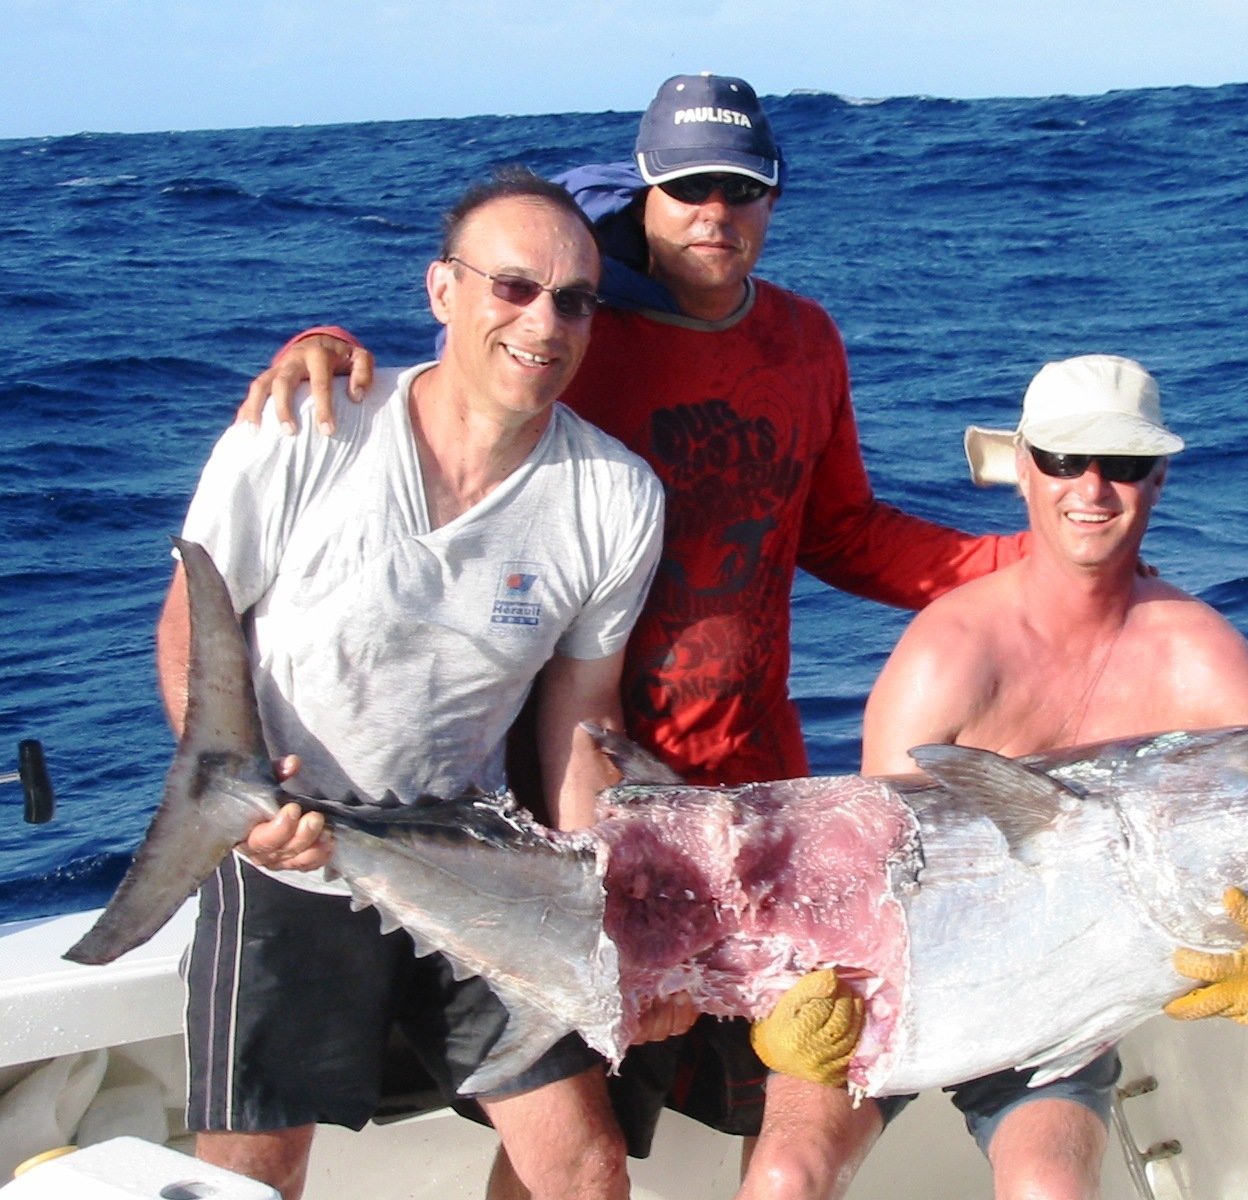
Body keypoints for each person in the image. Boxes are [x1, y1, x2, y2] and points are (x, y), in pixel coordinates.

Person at [237, 73, 1032, 1199]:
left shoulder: (807, 340)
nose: (716, 212)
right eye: (690, 186)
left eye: (743, 189)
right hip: (587, 787)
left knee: (801, 1078)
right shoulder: (578, 330)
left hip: (757, 790)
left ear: (772, 200)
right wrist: (322, 342)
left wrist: (1033, 561)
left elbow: (845, 533)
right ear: (646, 194)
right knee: (583, 1112)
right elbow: (465, 363)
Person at [158, 167, 666, 1200]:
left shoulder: (618, 495)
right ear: (443, 292)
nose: (544, 321)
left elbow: (581, 722)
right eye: (513, 287)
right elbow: (189, 633)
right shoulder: (305, 426)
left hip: (476, 855)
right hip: (285, 850)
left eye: (575, 300)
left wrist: (604, 894)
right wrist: (238, 793)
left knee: (581, 1166)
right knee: (252, 1172)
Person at [846, 354, 1248, 1199]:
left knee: (1053, 1188)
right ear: (1023, 474)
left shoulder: (1201, 656)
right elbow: (867, 868)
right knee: (788, 1175)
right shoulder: (950, 647)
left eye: (1122, 465)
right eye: (1062, 460)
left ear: (1159, 479)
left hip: (1065, 1013)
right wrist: (815, 1007)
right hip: (892, 988)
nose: (1092, 487)